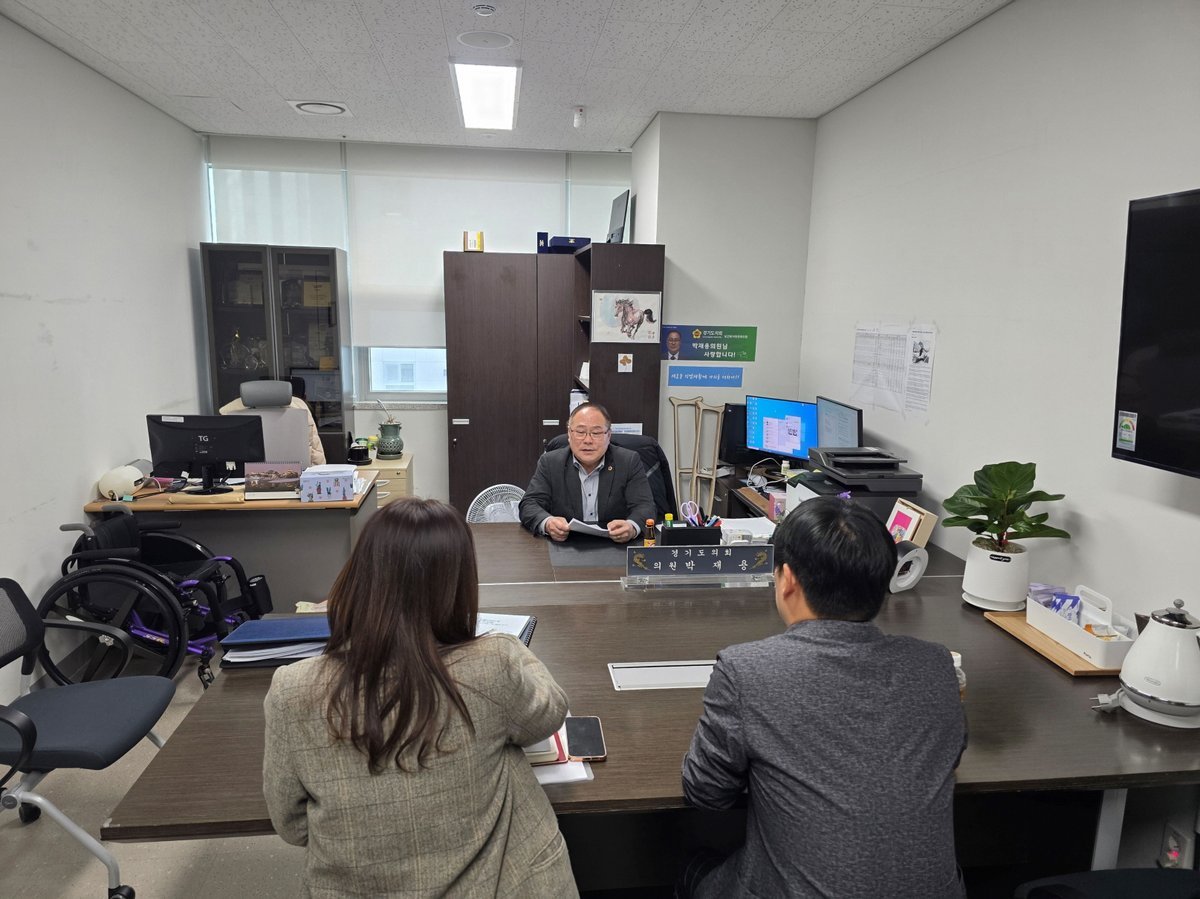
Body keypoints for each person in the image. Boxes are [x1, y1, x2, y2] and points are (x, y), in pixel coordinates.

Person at [263, 498, 578, 897]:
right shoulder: (491, 663)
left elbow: (292, 825)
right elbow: (549, 711)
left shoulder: (292, 689)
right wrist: (509, 647)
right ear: (458, 583)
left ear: (360, 575)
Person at [679, 496, 967, 898]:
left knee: (693, 869)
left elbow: (706, 792)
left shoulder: (746, 670)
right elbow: (947, 754)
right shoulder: (936, 664)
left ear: (788, 579)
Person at [518, 402, 655, 543]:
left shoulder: (628, 461)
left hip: (614, 544)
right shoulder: (550, 462)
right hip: (565, 544)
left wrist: (631, 527)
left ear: (608, 435)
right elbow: (529, 504)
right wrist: (547, 523)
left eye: (596, 433)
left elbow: (645, 506)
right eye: (580, 432)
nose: (588, 440)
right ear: (569, 434)